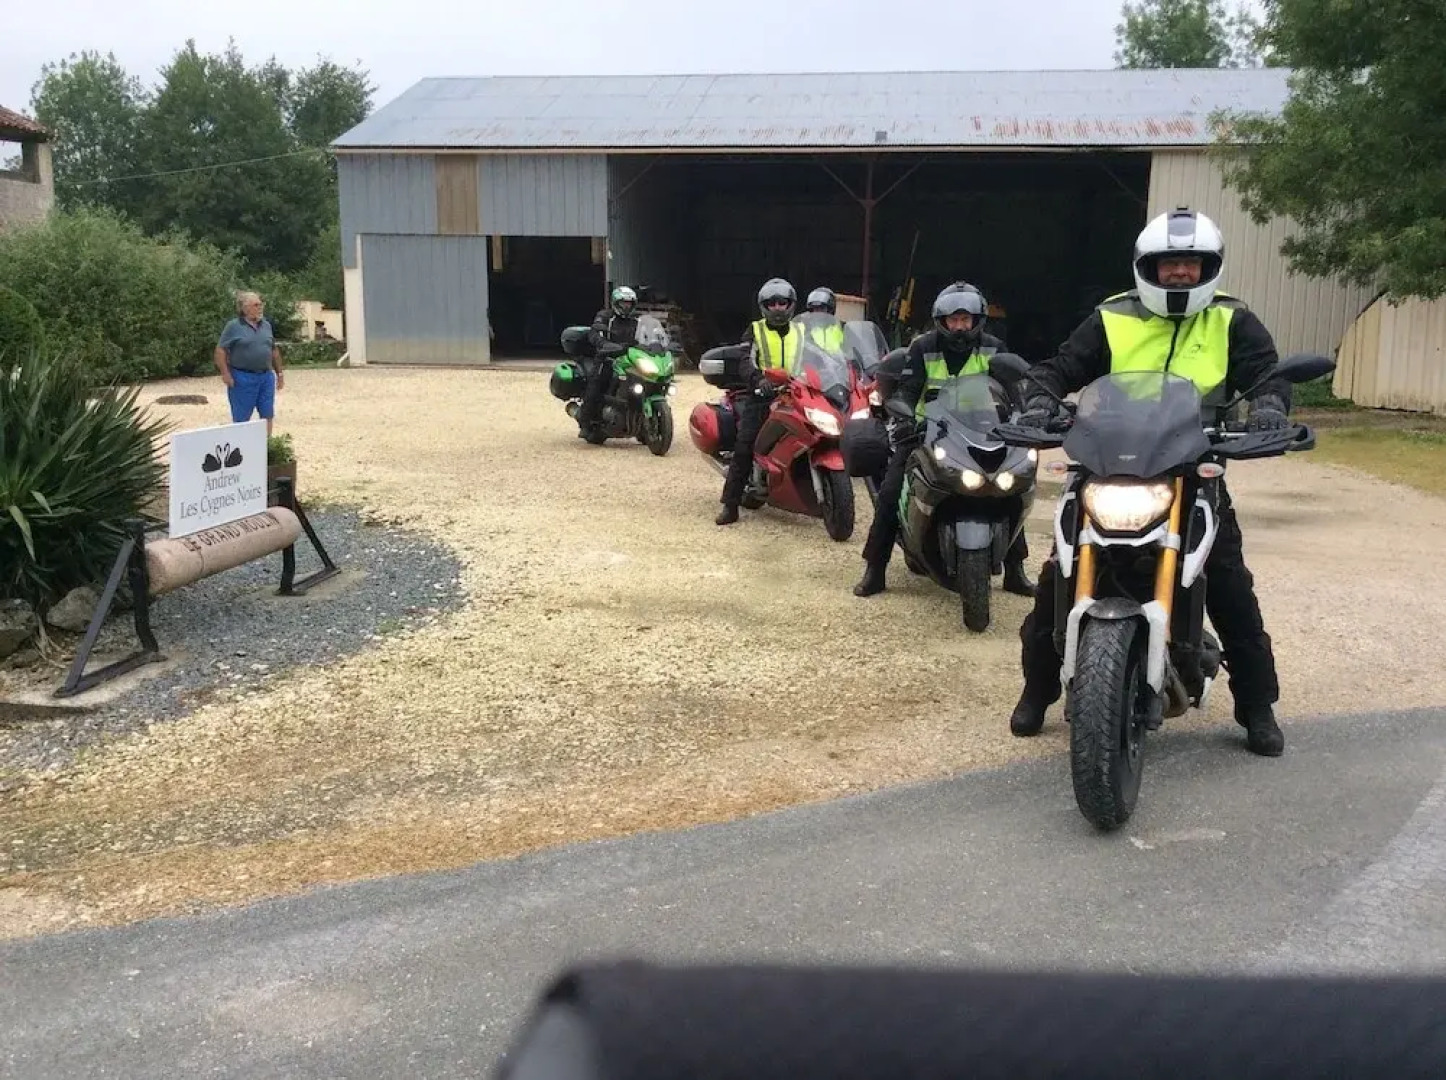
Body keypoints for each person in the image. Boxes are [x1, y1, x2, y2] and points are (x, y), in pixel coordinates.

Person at [1007, 206, 1291, 757]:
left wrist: (1271, 407)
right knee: (1057, 582)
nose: (1180, 274)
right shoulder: (1113, 317)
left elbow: (1267, 375)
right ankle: (1036, 692)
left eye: (1191, 264)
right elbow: (1060, 367)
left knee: (1230, 587)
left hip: (1192, 467)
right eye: (1169, 265)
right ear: (1147, 268)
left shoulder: (1232, 320)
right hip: (1109, 462)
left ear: (1209, 268)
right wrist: (1041, 396)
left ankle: (1257, 706)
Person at [853, 282, 1034, 598]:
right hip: (930, 430)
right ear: (942, 321)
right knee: (891, 492)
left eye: (966, 320)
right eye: (954, 320)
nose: (960, 327)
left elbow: (1012, 394)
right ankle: (875, 569)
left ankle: (1015, 571)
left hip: (985, 430)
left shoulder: (993, 347)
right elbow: (908, 391)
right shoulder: (924, 348)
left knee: (1011, 489)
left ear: (977, 320)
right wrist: (905, 415)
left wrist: (1023, 417)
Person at [716, 278, 801, 525]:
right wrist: (758, 380)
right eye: (772, 303)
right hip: (763, 395)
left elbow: (817, 357)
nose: (777, 308)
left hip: (796, 393)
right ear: (764, 306)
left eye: (782, 303)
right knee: (745, 445)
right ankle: (730, 505)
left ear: (791, 304)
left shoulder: (802, 330)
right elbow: (746, 359)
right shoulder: (755, 330)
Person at [215, 291, 284, 436]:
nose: (260, 307)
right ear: (244, 308)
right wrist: (225, 374)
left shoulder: (266, 325)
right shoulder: (233, 326)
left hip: (265, 376)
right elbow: (221, 350)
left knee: (267, 413)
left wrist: (280, 373)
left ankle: (267, 445)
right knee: (242, 417)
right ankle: (242, 447)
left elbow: (273, 349)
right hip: (242, 376)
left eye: (261, 304)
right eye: (256, 305)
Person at [578, 286, 641, 441]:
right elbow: (595, 334)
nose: (626, 307)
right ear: (615, 303)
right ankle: (585, 423)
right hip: (608, 357)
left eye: (629, 303)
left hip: (630, 358)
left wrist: (660, 345)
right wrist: (603, 344)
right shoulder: (605, 316)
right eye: (623, 303)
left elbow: (649, 336)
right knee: (597, 383)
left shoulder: (637, 320)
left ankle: (643, 424)